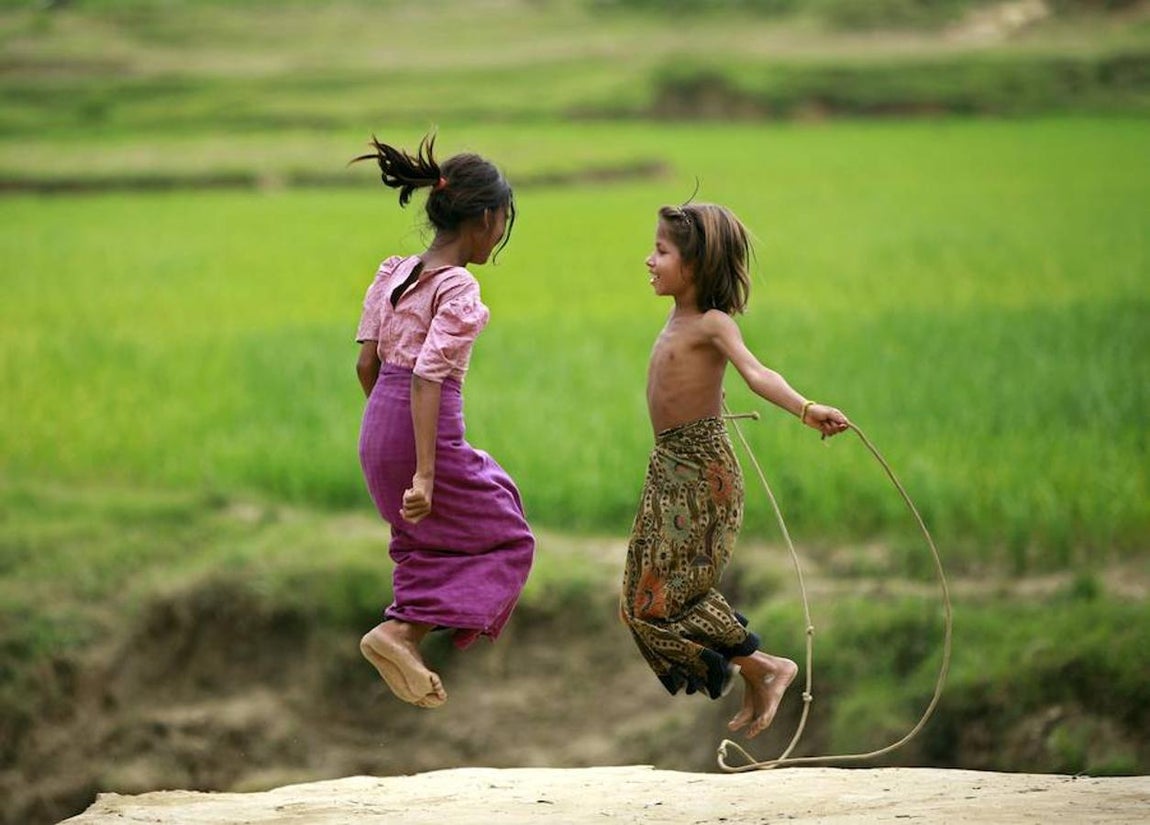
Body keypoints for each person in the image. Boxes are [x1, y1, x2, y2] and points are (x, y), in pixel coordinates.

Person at [620, 202, 850, 738]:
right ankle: (757, 670)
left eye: (661, 251)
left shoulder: (713, 323)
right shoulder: (677, 319)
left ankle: (768, 667)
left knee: (664, 601)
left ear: (695, 265)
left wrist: (804, 408)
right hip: (669, 471)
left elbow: (756, 372)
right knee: (637, 600)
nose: (649, 260)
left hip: (702, 478)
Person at [351, 134, 534, 708]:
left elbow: (366, 363)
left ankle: (403, 634)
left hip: (379, 425)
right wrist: (424, 471)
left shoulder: (395, 273)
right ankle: (400, 633)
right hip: (419, 427)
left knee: (430, 535)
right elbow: (428, 377)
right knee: (507, 537)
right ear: (484, 218)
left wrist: (389, 440)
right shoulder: (457, 286)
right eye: (503, 221)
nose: (501, 233)